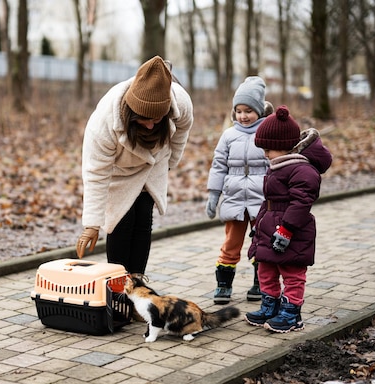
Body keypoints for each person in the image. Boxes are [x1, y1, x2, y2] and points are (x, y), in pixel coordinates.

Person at [75, 56, 194, 275]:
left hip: (154, 164)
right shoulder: (104, 121)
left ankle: (137, 284)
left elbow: (183, 129)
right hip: (120, 171)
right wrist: (91, 224)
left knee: (142, 220)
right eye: (144, 119)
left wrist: (171, 161)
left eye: (157, 119)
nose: (150, 125)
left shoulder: (180, 101)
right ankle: (118, 285)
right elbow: (95, 173)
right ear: (132, 111)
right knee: (121, 222)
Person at [245, 105, 333, 333]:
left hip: (291, 231)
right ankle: (269, 306)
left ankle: (291, 313)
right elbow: (270, 201)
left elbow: (301, 203)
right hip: (270, 227)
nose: (264, 153)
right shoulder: (278, 166)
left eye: (268, 149)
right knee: (265, 269)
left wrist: (286, 230)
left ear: (283, 147)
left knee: (292, 273)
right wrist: (259, 224)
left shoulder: (302, 170)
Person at [206, 76, 273, 305]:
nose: (243, 116)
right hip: (234, 199)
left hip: (261, 201)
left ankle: (260, 283)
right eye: (239, 111)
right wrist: (214, 195)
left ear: (259, 111)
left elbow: (275, 165)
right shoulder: (228, 135)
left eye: (249, 111)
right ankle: (223, 285)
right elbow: (218, 165)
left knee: (262, 243)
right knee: (231, 244)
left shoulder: (267, 134)